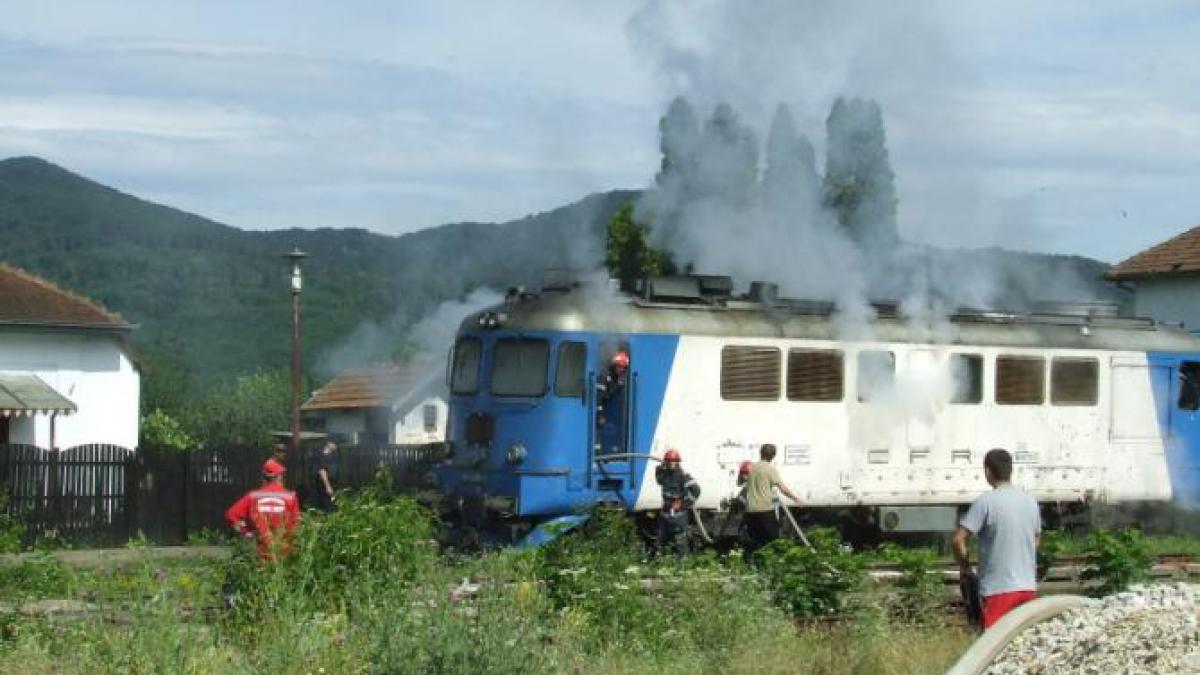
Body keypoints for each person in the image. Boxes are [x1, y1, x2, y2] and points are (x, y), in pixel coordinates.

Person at [952, 448, 1041, 630]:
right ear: (1010, 470)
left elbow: (958, 540)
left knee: (993, 642)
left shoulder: (985, 502)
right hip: (1027, 587)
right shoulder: (1030, 502)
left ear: (987, 471)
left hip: (998, 589)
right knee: (1022, 640)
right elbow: (1036, 538)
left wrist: (966, 567)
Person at [225, 459, 302, 563]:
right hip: (284, 551)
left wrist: (247, 531)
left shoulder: (253, 496)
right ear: (278, 477)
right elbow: (295, 523)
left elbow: (231, 515)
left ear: (264, 478)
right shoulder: (290, 497)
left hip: (261, 551)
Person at [743, 443, 801, 562]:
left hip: (750, 510)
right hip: (765, 510)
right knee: (773, 541)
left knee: (755, 541)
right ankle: (772, 565)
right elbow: (782, 489)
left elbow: (742, 482)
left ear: (760, 453)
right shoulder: (770, 469)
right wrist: (795, 499)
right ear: (773, 456)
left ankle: (753, 565)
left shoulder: (751, 468)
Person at [655, 448, 700, 556]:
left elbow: (696, 490)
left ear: (678, 462)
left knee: (680, 542)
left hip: (679, 516)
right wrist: (660, 467)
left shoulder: (683, 476)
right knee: (662, 542)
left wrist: (684, 504)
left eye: (673, 461)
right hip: (665, 515)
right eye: (669, 461)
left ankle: (683, 562)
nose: (671, 463)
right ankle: (663, 561)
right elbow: (658, 479)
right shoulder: (664, 475)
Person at [311, 440, 339, 512]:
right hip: (323, 485)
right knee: (326, 506)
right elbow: (322, 470)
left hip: (332, 484)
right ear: (329, 443)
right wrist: (327, 486)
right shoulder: (320, 455)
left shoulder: (333, 455)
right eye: (335, 444)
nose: (336, 446)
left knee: (333, 504)